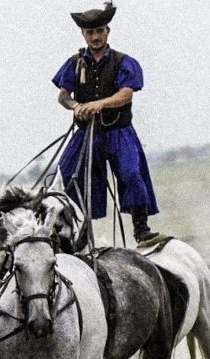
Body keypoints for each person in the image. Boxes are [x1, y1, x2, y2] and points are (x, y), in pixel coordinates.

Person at [52, 1, 163, 246]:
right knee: (64, 175)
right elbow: (63, 96)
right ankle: (78, 231)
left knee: (131, 174)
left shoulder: (124, 61)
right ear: (83, 34)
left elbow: (126, 93)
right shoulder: (74, 63)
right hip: (87, 133)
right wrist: (76, 106)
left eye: (99, 30)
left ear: (107, 31)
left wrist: (99, 104)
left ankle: (141, 228)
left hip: (118, 132)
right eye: (90, 32)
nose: (95, 36)